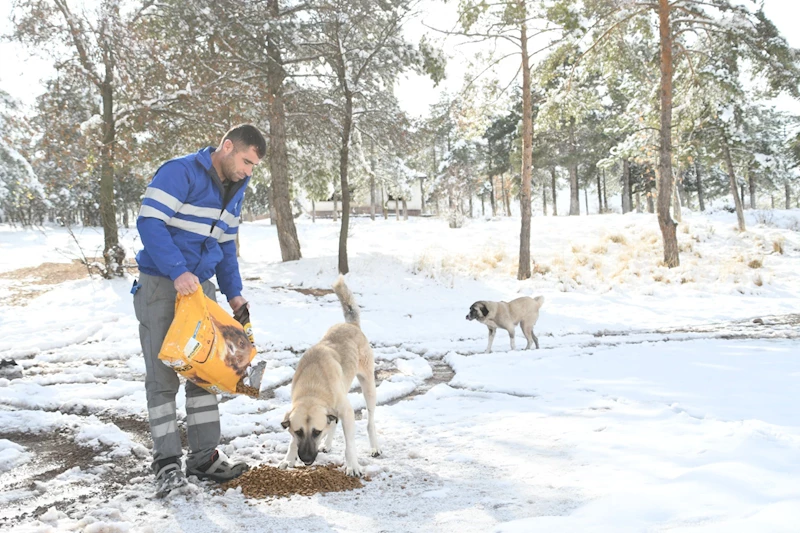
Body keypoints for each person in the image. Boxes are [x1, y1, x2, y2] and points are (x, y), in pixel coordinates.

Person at [132, 124, 266, 497]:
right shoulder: (180, 172)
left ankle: (204, 458)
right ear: (226, 147)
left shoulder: (235, 188)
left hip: (200, 291)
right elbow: (150, 222)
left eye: (254, 165)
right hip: (162, 285)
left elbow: (224, 248)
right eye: (245, 161)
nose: (248, 171)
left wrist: (234, 295)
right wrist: (178, 271)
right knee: (163, 378)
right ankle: (167, 464)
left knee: (206, 371)